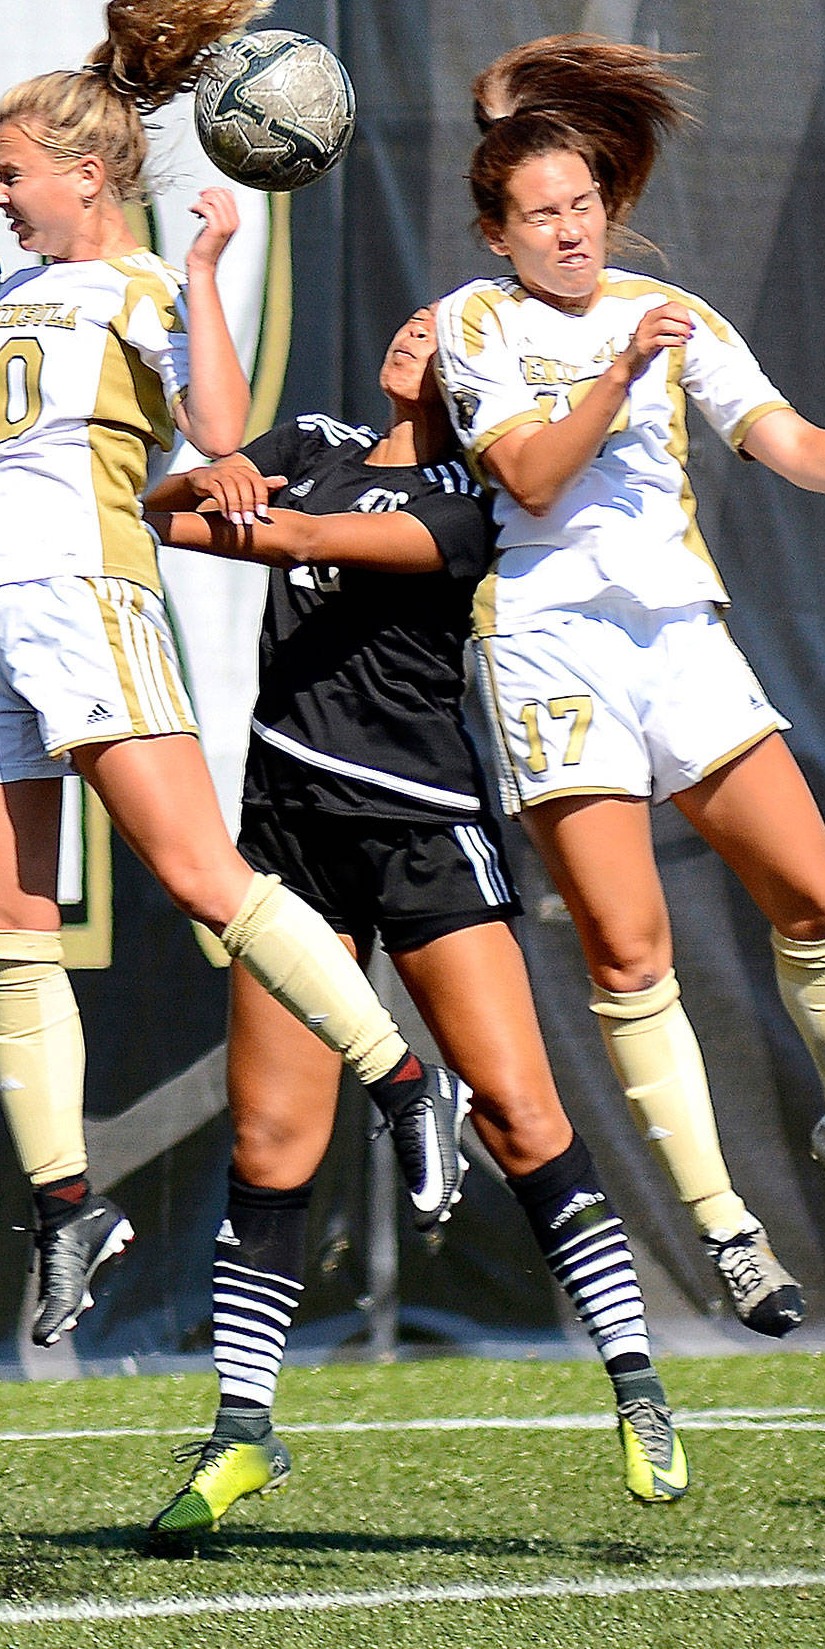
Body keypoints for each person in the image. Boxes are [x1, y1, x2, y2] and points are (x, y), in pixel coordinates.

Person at [0, 0, 470, 1352]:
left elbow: (218, 428)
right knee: (9, 928)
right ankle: (65, 1204)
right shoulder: (1, 297)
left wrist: (208, 262)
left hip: (85, 589)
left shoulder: (144, 282)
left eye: (14, 170)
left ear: (87, 176)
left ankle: (400, 1079)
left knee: (203, 875)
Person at [432, 35, 825, 1334]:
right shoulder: (475, 324)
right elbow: (531, 480)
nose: (569, 231)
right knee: (629, 950)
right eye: (540, 216)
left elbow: (780, 434)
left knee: (814, 894)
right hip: (551, 650)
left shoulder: (673, 318)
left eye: (582, 206)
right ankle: (726, 1225)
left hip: (680, 636)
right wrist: (617, 373)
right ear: (497, 235)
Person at [138, 307, 687, 1542]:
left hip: (421, 824)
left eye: (446, 335)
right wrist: (205, 469)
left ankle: (636, 1385)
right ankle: (240, 1431)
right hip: (285, 818)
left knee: (519, 1112)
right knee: (273, 1139)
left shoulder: (469, 497)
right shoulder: (315, 435)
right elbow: (165, 515)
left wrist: (242, 505)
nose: (412, 336)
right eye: (410, 320)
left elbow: (313, 537)